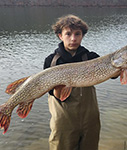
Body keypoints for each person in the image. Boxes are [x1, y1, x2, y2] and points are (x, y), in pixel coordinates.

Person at [43, 14, 101, 150]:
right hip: (64, 121)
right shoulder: (51, 61)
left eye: (77, 34)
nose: (73, 39)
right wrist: (58, 86)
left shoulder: (91, 58)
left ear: (82, 36)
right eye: (68, 34)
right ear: (60, 36)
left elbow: (113, 74)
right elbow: (55, 95)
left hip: (90, 120)